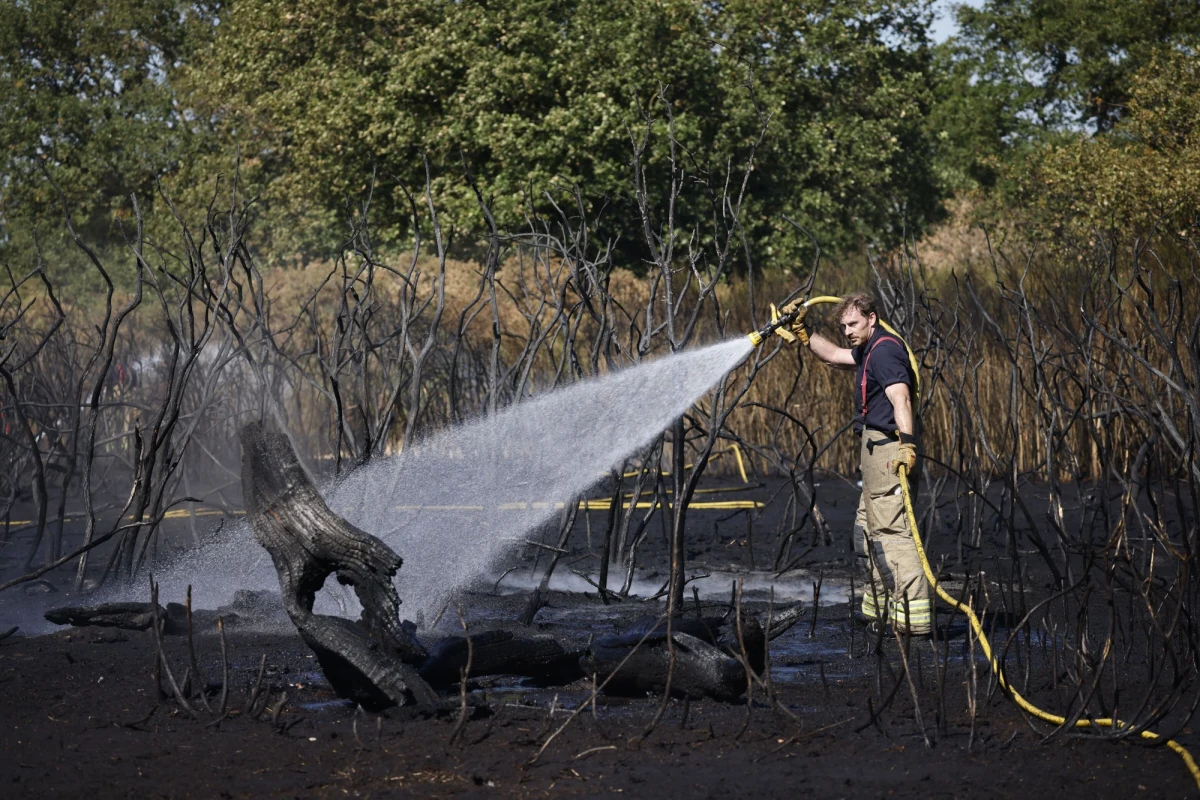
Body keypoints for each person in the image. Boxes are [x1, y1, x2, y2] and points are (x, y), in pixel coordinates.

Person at [788, 292, 931, 636]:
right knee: (867, 529)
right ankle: (879, 605)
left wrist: (907, 446)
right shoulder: (870, 347)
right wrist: (803, 333)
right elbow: (835, 357)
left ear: (872, 317)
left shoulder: (885, 351)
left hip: (888, 450)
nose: (847, 331)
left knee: (892, 532)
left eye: (853, 323)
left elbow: (901, 396)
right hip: (874, 450)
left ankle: (913, 618)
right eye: (843, 326)